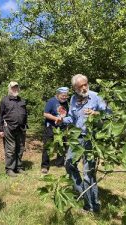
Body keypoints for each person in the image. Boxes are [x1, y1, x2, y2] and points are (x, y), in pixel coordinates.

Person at [60, 74, 111, 212]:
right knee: (69, 165)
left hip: (91, 139)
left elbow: (109, 114)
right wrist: (62, 120)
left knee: (88, 173)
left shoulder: (95, 96)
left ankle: (93, 206)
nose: (84, 87)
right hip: (76, 138)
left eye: (85, 84)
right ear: (74, 88)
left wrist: (95, 113)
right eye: (80, 86)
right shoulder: (73, 99)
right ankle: (84, 193)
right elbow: (71, 117)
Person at [0, 81, 28, 177]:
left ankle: (18, 167)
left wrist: (26, 124)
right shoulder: (4, 100)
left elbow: (25, 114)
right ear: (9, 89)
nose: (15, 89)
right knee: (10, 149)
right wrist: (0, 129)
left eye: (16, 87)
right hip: (8, 127)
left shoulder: (22, 100)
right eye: (13, 88)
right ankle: (10, 169)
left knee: (20, 148)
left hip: (21, 128)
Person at [41, 87, 69, 174]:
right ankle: (45, 166)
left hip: (62, 128)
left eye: (66, 96)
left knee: (62, 145)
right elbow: (45, 114)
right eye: (62, 96)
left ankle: (59, 163)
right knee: (48, 146)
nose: (64, 97)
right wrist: (56, 118)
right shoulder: (51, 101)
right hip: (51, 127)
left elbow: (66, 114)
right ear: (58, 94)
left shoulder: (66, 103)